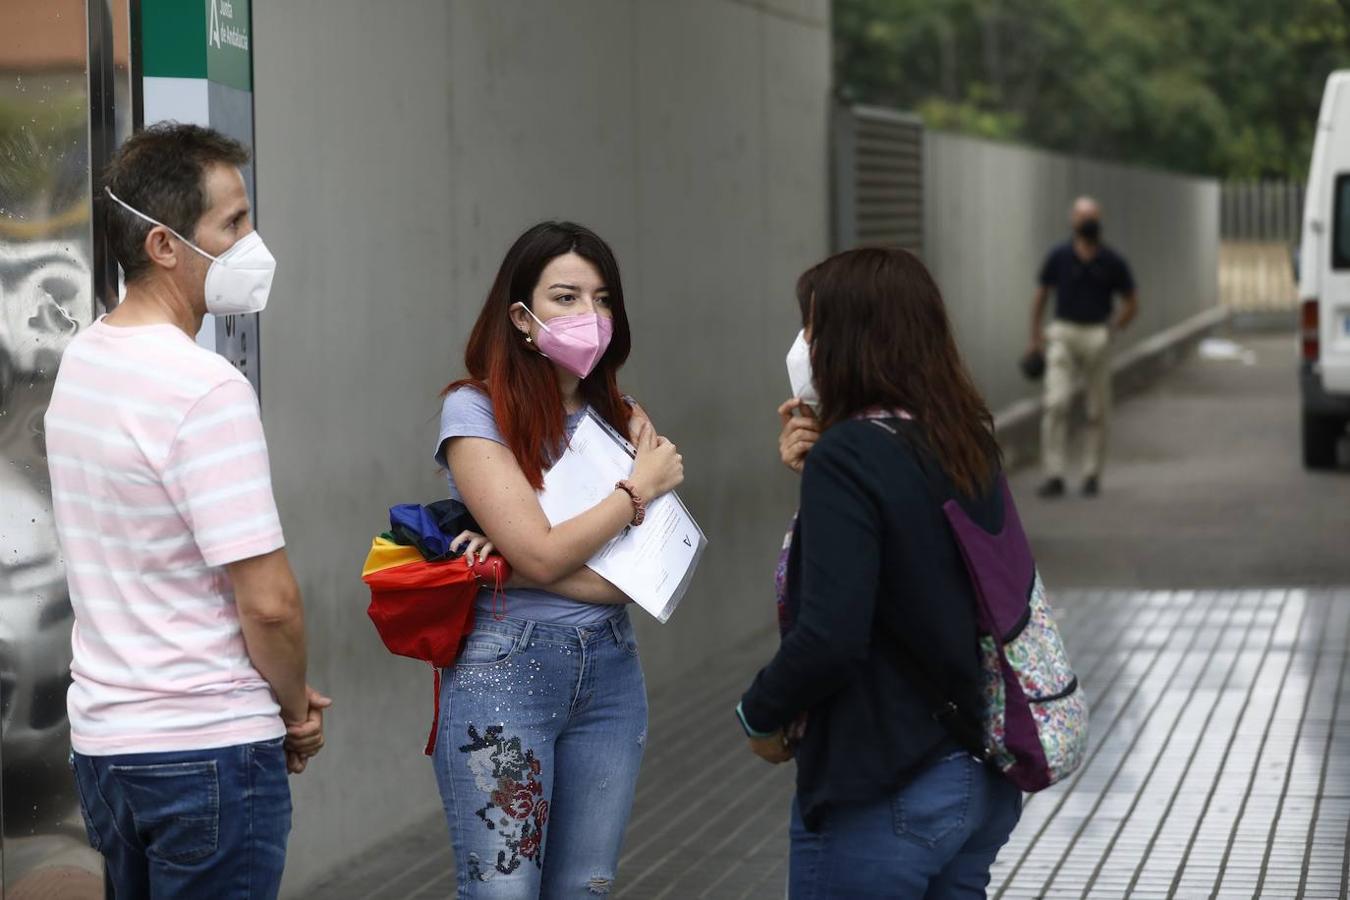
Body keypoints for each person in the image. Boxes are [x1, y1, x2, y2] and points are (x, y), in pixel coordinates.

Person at [46, 123, 330, 898]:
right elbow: (269, 604)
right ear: (166, 246)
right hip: (208, 752)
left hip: (108, 749)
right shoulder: (204, 388)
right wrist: (293, 709)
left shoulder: (83, 365)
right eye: (232, 224)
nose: (252, 242)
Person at [741, 247, 1022, 899]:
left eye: (810, 329)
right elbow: (915, 570)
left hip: (886, 786)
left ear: (851, 339)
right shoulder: (961, 438)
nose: (802, 346)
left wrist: (757, 714)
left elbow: (833, 634)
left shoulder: (850, 456)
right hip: (975, 774)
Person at [433, 221, 684, 897]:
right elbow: (547, 557)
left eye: (602, 300)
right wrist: (638, 491)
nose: (590, 317)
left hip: (610, 673)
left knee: (586, 887)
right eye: (566, 298)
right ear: (521, 316)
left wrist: (513, 562)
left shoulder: (622, 416)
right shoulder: (474, 411)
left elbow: (645, 577)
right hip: (504, 671)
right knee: (502, 889)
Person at [1028, 196, 1139, 498]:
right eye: (1082, 216)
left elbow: (1131, 301)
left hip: (1096, 333)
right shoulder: (1059, 256)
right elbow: (1041, 295)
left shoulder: (1111, 261)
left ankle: (1092, 473)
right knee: (1056, 402)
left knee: (1098, 409)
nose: (1087, 222)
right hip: (1064, 331)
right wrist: (1035, 338)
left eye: (1092, 216)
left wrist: (1113, 329)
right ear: (1073, 220)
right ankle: (1054, 474)